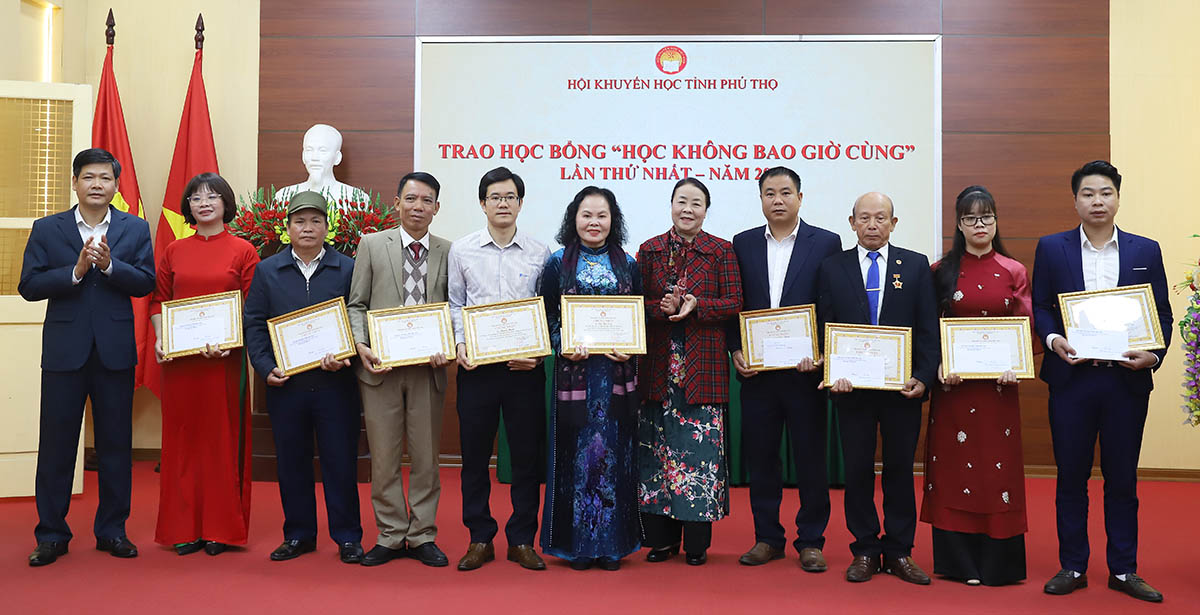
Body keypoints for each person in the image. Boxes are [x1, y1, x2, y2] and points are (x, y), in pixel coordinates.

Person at [1033, 161, 1172, 603]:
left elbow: (1161, 314)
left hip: (1125, 383)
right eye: (1088, 194)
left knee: (1122, 479)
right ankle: (1073, 565)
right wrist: (1053, 339)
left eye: (1106, 193)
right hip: (1072, 380)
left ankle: (1124, 570)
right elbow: (1041, 306)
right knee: (1071, 477)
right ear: (1075, 200)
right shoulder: (1051, 248)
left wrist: (1153, 356)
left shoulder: (1145, 250)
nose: (1098, 201)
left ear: (1118, 198)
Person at [19, 147, 155, 566]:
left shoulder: (135, 228)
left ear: (116, 185)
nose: (98, 185)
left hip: (114, 352)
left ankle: (112, 530)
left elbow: (146, 282)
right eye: (89, 177)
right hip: (64, 353)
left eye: (105, 178)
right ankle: (51, 534)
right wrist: (76, 272)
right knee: (56, 446)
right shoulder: (48, 228)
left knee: (116, 445)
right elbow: (29, 285)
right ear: (75, 182)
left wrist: (111, 266)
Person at [817, 191, 938, 585]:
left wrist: (923, 376)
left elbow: (928, 327)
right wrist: (833, 370)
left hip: (901, 389)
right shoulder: (832, 267)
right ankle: (866, 548)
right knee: (857, 471)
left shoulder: (915, 265)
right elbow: (824, 326)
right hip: (852, 390)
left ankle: (900, 550)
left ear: (893, 223)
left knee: (900, 470)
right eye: (864, 218)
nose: (872, 225)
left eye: (880, 218)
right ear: (852, 223)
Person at [729, 167, 841, 571]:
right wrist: (735, 349)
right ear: (760, 199)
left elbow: (831, 302)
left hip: (804, 372)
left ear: (800, 197)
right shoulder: (742, 243)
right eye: (769, 193)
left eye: (785, 192)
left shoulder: (826, 242)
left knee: (810, 457)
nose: (777, 200)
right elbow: (735, 303)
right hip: (758, 374)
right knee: (762, 458)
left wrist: (824, 351)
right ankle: (767, 538)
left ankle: (811, 540)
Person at [243, 191, 364, 564]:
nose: (307, 228)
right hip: (287, 385)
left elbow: (359, 316)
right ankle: (298, 534)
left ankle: (347, 536)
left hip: (336, 385)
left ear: (327, 227)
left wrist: (345, 356)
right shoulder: (268, 270)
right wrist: (265, 366)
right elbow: (254, 323)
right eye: (299, 221)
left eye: (315, 221)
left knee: (340, 462)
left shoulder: (348, 268)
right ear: (288, 227)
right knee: (292, 462)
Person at [921, 186, 1030, 585]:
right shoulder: (940, 271)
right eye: (970, 218)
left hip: (999, 392)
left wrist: (1016, 365)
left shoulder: (1014, 270)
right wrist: (939, 364)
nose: (979, 224)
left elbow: (1025, 326)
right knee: (954, 471)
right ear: (959, 224)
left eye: (986, 217)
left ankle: (998, 565)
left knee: (996, 472)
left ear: (996, 221)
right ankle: (959, 563)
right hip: (954, 390)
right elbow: (928, 328)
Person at [150, 172, 259, 556]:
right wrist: (162, 338)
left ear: (226, 203)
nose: (204, 203)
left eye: (212, 196)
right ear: (188, 207)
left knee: (220, 441)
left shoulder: (243, 250)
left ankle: (219, 529)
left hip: (223, 363)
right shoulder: (174, 250)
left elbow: (252, 307)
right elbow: (159, 301)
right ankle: (183, 527)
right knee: (182, 440)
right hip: (181, 363)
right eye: (196, 198)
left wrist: (231, 341)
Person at [448, 167, 551, 571]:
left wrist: (539, 356)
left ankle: (522, 539)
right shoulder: (463, 250)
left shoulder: (540, 251)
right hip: (477, 369)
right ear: (482, 203)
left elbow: (547, 311)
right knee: (474, 457)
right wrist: (460, 345)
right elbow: (456, 303)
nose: (503, 203)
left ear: (520, 204)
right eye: (495, 197)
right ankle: (479, 538)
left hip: (525, 370)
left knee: (526, 457)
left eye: (510, 197)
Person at [637, 177, 743, 566]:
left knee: (699, 456)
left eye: (696, 203)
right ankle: (661, 541)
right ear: (671, 205)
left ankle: (697, 544)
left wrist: (698, 305)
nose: (688, 209)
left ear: (706, 210)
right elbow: (634, 304)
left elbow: (735, 301)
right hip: (658, 367)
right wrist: (660, 308)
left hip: (703, 368)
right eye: (681, 201)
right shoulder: (649, 250)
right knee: (657, 454)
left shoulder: (721, 250)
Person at [348, 172, 451, 567]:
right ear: (396, 203)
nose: (418, 207)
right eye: (411, 199)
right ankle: (391, 534)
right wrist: (362, 346)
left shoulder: (448, 250)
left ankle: (422, 534)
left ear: (436, 208)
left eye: (426, 201)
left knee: (426, 458)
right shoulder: (372, 245)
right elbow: (357, 304)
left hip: (428, 370)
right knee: (385, 457)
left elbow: (454, 307)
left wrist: (447, 346)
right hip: (381, 369)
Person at [540, 186, 642, 570]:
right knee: (576, 456)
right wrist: (561, 344)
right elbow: (547, 315)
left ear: (613, 220)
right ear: (574, 218)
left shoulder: (628, 264)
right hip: (575, 377)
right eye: (587, 215)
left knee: (614, 456)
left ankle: (612, 544)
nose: (594, 222)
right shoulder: (557, 263)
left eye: (602, 215)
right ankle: (578, 545)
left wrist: (631, 347)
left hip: (614, 377)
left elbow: (638, 317)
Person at [275, 124, 369, 203]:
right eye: (309, 150)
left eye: (323, 150)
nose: (314, 157)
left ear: (337, 158)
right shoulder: (284, 197)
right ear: (303, 155)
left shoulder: (357, 198)